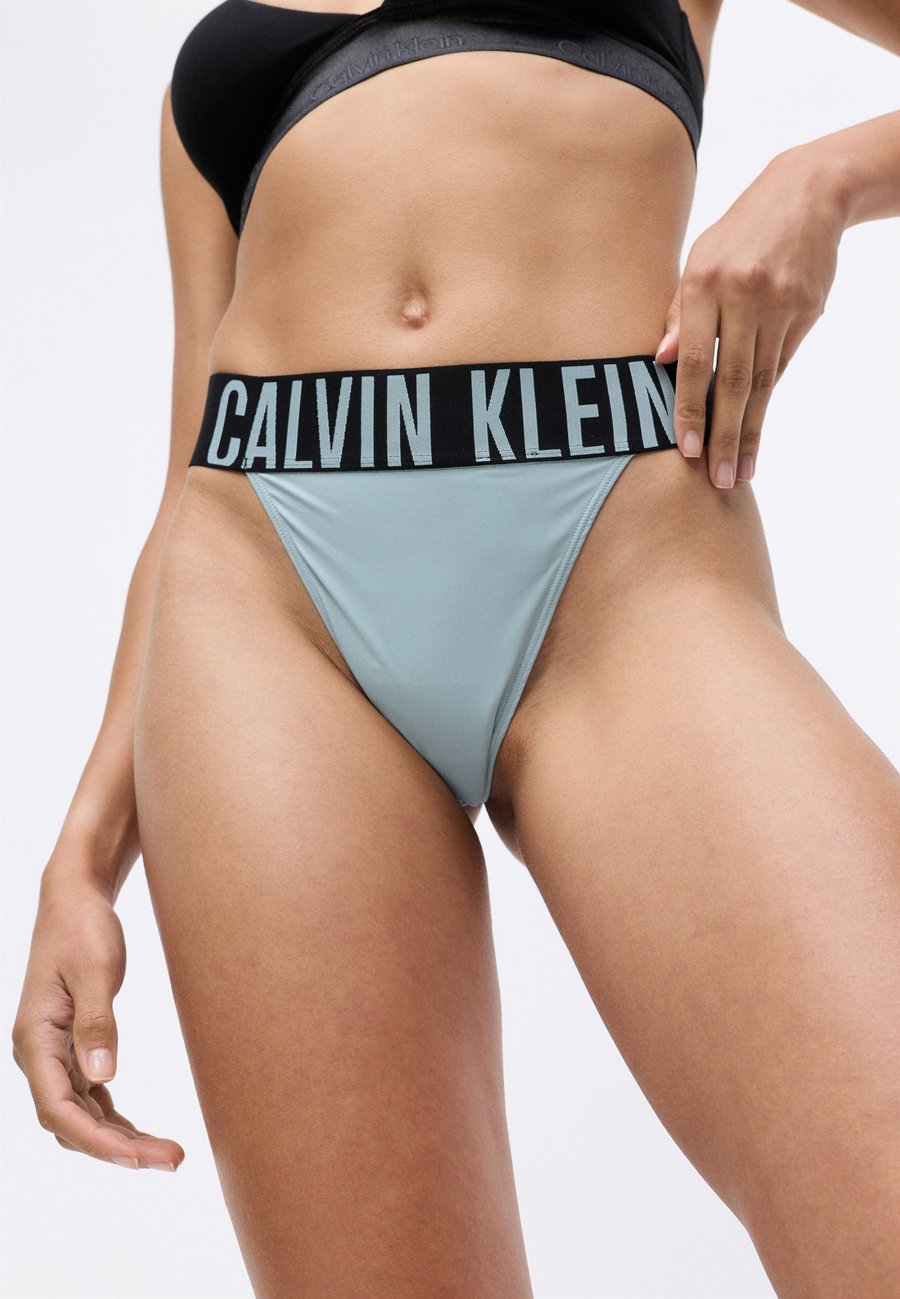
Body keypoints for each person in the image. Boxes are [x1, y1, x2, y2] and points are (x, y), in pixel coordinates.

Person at [11, 1, 900, 1294]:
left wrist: (827, 178)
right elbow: (187, 464)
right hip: (263, 610)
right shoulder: (211, 75)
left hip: (616, 570)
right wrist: (82, 862)